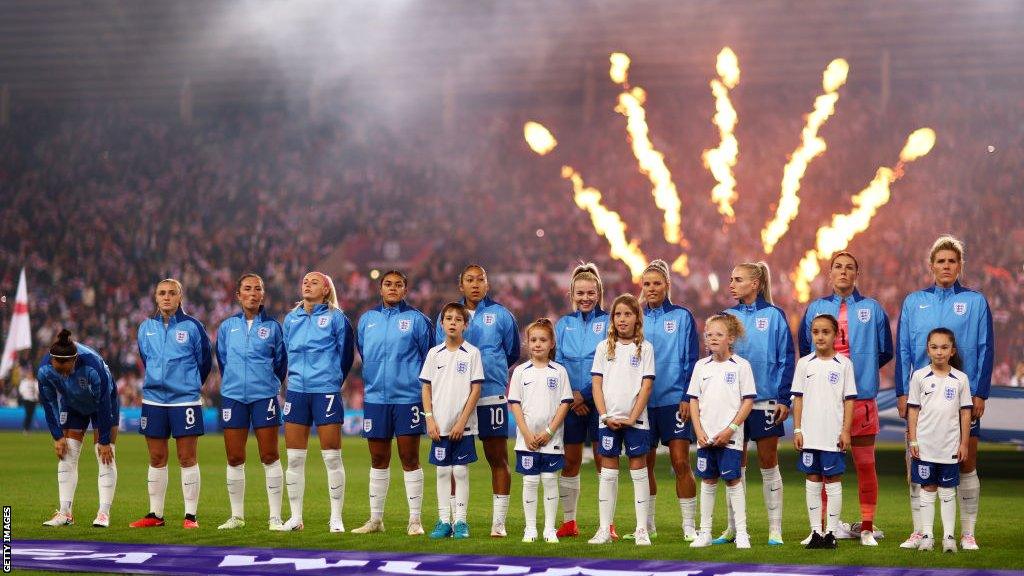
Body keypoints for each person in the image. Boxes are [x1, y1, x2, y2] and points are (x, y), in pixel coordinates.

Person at [896, 235, 993, 550]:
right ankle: (919, 532)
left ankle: (967, 533)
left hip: (962, 397)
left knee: (966, 462)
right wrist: (901, 391)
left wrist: (980, 393)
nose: (946, 266)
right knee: (918, 461)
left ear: (960, 265)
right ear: (931, 265)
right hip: (922, 398)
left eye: (952, 261)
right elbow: (904, 350)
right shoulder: (913, 301)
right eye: (941, 261)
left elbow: (984, 347)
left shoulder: (976, 302)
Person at [799, 251, 892, 545]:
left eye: (849, 267)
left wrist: (857, 375)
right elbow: (806, 349)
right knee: (823, 469)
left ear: (856, 274)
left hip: (861, 400)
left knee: (865, 465)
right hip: (823, 405)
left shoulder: (872, 309)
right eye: (837, 267)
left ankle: (866, 527)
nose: (843, 271)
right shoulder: (815, 308)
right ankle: (825, 529)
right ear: (829, 274)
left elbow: (885, 350)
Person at [436, 264, 519, 537]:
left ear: (487, 284)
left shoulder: (502, 315)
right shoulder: (448, 315)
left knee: (498, 458)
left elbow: (512, 353)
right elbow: (440, 355)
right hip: (456, 401)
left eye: (480, 279)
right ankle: (455, 521)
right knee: (453, 463)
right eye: (469, 280)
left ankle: (499, 523)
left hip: (490, 395)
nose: (475, 284)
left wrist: (490, 373)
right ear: (461, 285)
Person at [352, 270, 434, 536]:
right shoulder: (367, 320)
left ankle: (415, 520)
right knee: (378, 458)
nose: (393, 288)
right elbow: (364, 351)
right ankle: (376, 520)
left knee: (409, 458)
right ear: (380, 288)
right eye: (388, 284)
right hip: (376, 398)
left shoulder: (418, 320)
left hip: (408, 397)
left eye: (398, 285)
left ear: (405, 290)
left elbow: (429, 359)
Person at [719, 262, 794, 545]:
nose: (732, 284)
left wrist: (784, 398)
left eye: (738, 279)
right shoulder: (727, 316)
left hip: (765, 401)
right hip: (732, 404)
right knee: (732, 466)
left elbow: (787, 358)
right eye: (731, 279)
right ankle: (733, 528)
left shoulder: (774, 316)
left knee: (768, 462)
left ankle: (775, 529)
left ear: (756, 283)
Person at [131, 278, 212, 529]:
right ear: (155, 298)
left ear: (180, 297)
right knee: (156, 457)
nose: (166, 297)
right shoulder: (145, 328)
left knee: (186, 457)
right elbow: (146, 358)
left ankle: (190, 517)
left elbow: (205, 362)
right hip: (154, 400)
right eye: (162, 293)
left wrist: (187, 384)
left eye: (171, 293)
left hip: (184, 400)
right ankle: (155, 515)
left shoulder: (193, 327)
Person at [280, 271, 355, 532]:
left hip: (325, 392)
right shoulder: (291, 319)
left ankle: (336, 517)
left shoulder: (337, 319)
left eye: (314, 282)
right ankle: (295, 517)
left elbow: (346, 357)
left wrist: (332, 381)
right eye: (304, 281)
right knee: (294, 458)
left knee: (332, 457)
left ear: (326, 289)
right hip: (297, 392)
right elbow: (285, 353)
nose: (307, 285)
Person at [214, 273, 288, 530]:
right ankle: (237, 516)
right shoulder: (226, 327)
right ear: (238, 295)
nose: (253, 293)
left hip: (264, 397)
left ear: (263, 295)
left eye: (258, 289)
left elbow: (281, 364)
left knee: (269, 455)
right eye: (248, 289)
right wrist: (235, 382)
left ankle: (275, 517)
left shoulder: (274, 328)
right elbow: (222, 360)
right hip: (233, 396)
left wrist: (267, 384)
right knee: (234, 457)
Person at [638, 259, 700, 541]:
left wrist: (688, 395)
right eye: (647, 284)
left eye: (657, 283)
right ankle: (647, 524)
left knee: (680, 461)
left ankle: (689, 525)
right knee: (645, 463)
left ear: (667, 285)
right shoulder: (635, 317)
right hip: (642, 403)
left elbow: (691, 359)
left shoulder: (683, 317)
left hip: (674, 400)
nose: (652, 289)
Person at [588, 294, 655, 546]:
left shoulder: (645, 348)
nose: (623, 319)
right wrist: (605, 416)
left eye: (628, 314)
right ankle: (604, 529)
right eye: (618, 314)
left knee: (639, 472)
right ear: (612, 319)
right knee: (607, 474)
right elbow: (597, 385)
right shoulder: (603, 348)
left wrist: (632, 418)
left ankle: (641, 530)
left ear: (637, 317)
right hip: (608, 421)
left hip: (636, 422)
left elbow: (646, 387)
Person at [687, 313, 756, 549]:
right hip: (706, 437)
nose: (713, 338)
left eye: (719, 334)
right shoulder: (700, 366)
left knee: (733, 482)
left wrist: (731, 429)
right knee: (707, 482)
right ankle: (705, 532)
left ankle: (742, 533)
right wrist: (698, 431)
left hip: (731, 438)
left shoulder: (741, 366)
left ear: (731, 338)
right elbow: (694, 401)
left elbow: (747, 402)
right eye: (709, 334)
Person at [553, 263, 612, 539]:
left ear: (599, 292)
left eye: (590, 292)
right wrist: (573, 397)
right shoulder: (563, 324)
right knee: (570, 462)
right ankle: (569, 522)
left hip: (600, 402)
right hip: (571, 402)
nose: (585, 298)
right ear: (571, 294)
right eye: (580, 293)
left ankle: (607, 524)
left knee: (604, 461)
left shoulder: (609, 322)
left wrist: (584, 394)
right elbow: (560, 363)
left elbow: (609, 362)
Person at [38, 330, 119, 528]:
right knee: (67, 454)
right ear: (52, 360)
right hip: (73, 404)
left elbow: (104, 402)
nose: (63, 372)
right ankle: (65, 513)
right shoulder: (44, 370)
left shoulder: (93, 366)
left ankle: (103, 513)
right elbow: (49, 404)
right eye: (58, 368)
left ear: (75, 359)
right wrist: (57, 436)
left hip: (102, 402)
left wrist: (105, 439)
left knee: (104, 454)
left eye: (66, 368)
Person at [906, 328, 973, 553]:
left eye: (944, 347)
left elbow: (965, 413)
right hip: (924, 446)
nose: (939, 352)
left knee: (947, 491)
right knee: (927, 489)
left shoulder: (960, 379)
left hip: (949, 446)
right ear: (928, 349)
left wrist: (964, 443)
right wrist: (913, 441)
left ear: (952, 351)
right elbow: (913, 411)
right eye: (934, 347)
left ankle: (949, 538)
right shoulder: (919, 376)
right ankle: (927, 536)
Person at [792, 314, 856, 549]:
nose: (820, 336)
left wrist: (845, 431)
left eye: (825, 332)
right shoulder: (804, 363)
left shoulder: (844, 365)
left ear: (836, 334)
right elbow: (798, 398)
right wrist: (797, 429)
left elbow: (849, 400)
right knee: (812, 480)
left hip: (832, 436)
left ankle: (831, 532)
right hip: (809, 435)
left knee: (833, 481)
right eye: (816, 332)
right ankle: (815, 532)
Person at [421, 302, 484, 540]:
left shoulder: (472, 353)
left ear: (465, 325)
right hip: (439, 424)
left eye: (458, 319)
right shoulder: (433, 353)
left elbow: (475, 390)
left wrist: (462, 421)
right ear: (442, 323)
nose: (453, 323)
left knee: (460, 471)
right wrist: (429, 419)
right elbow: (425, 389)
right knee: (441, 473)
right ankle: (443, 521)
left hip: (462, 426)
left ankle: (461, 522)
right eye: (448, 318)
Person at [509, 318, 573, 544]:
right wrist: (526, 434)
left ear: (552, 343)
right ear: (527, 342)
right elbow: (514, 403)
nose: (537, 344)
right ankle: (530, 528)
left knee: (549, 480)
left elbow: (565, 404)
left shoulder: (559, 371)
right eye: (533, 340)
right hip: (526, 440)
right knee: (530, 482)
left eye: (543, 340)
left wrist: (548, 431)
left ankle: (548, 528)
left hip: (551, 439)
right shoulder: (520, 372)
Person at [19, 364, 39, 433]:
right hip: (26, 399)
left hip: (33, 400)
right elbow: (21, 390)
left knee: (30, 414)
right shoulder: (24, 382)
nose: (30, 375)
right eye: (29, 374)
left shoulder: (35, 382)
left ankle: (27, 429)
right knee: (27, 414)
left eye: (31, 374)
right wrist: (26, 394)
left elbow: (38, 390)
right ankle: (25, 428)